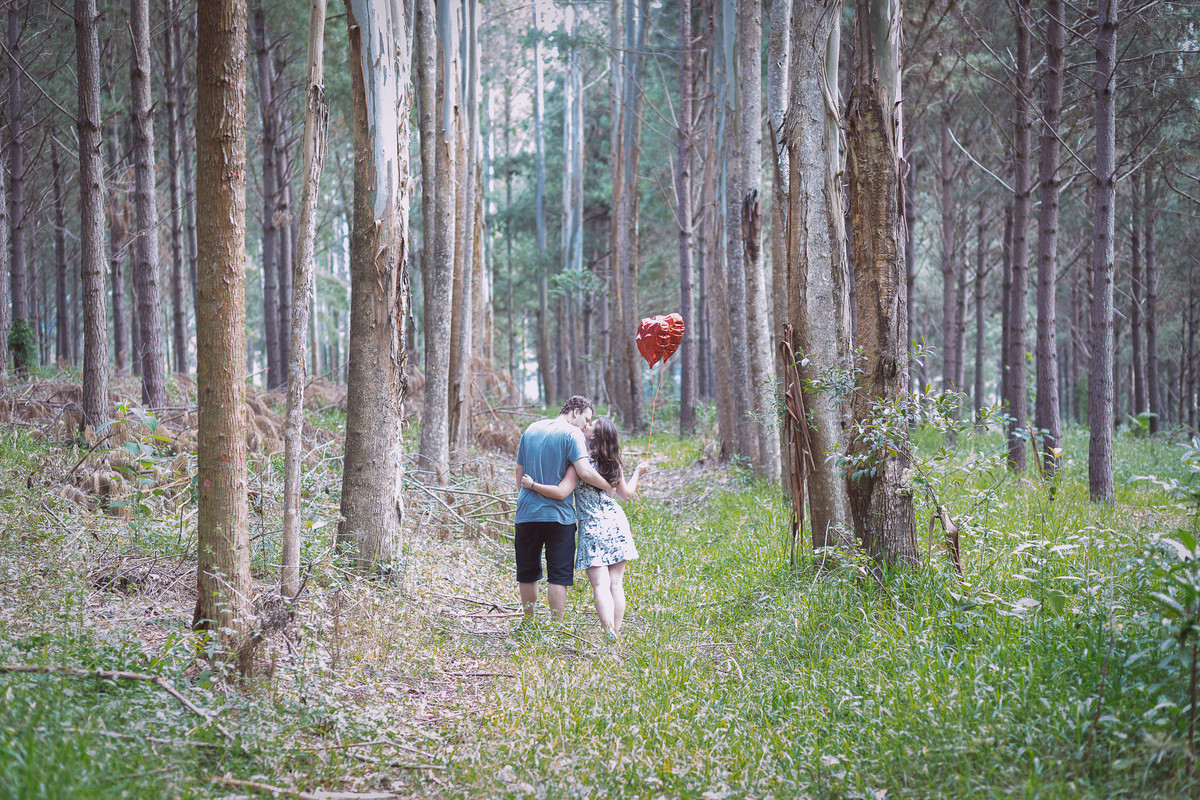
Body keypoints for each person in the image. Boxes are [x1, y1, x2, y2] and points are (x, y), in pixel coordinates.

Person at [522, 417, 648, 640]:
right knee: (616, 584)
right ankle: (615, 634)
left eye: (591, 425)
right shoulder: (614, 463)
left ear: (593, 436)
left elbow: (562, 491)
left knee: (600, 585)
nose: (586, 426)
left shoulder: (579, 465)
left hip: (592, 528)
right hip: (616, 524)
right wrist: (638, 472)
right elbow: (626, 495)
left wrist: (532, 485)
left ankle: (609, 630)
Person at [514, 395, 612, 622]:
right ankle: (555, 628)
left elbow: (519, 471)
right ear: (575, 412)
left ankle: (529, 623)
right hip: (560, 517)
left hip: (527, 512)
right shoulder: (572, 434)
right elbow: (585, 471)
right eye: (586, 419)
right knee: (558, 575)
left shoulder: (531, 429)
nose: (587, 425)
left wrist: (525, 496)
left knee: (527, 573)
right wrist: (608, 486)